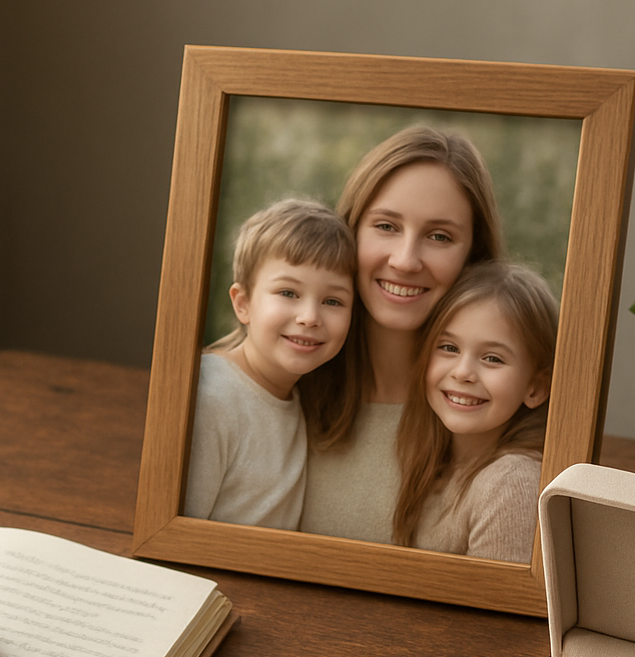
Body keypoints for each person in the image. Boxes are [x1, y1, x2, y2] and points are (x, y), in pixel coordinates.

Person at [297, 126, 505, 543]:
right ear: (350, 231)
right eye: (386, 226)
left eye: (439, 236)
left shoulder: (491, 414)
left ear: (473, 257)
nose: (406, 260)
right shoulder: (286, 381)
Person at [184, 199, 356, 529]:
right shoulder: (210, 398)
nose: (309, 317)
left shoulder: (301, 398)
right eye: (288, 293)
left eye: (332, 301)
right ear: (243, 303)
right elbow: (175, 534)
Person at [391, 261, 556, 564]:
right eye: (449, 348)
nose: (463, 372)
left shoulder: (510, 482)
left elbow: (497, 595)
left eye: (492, 358)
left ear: (535, 388)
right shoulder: (435, 462)